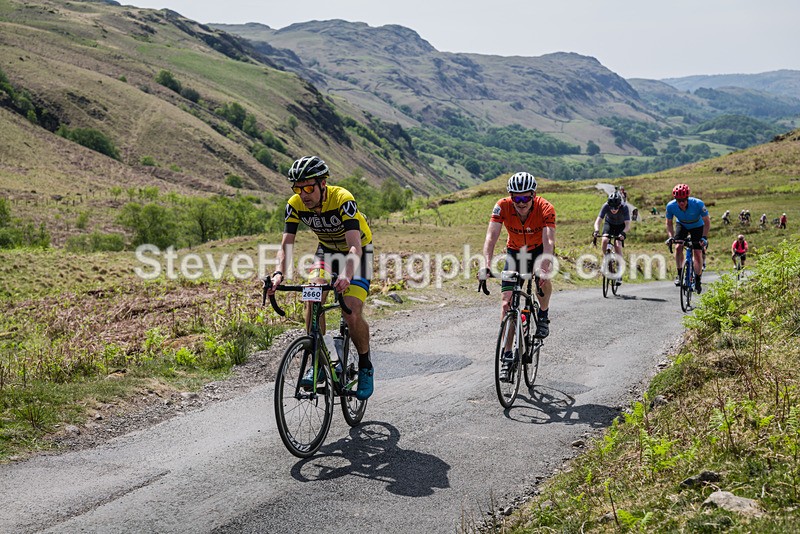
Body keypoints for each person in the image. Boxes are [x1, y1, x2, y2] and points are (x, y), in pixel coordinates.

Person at [267, 156, 375, 400]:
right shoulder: (295, 205)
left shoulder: (343, 199)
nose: (303, 194)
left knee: (351, 311)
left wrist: (346, 276)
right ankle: (318, 362)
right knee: (312, 295)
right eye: (298, 188)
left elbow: (355, 248)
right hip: (326, 251)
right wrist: (278, 273)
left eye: (308, 187)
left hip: (357, 252)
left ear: (322, 184)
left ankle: (366, 365)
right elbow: (286, 245)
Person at [479, 172, 556, 379]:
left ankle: (543, 314)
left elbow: (549, 240)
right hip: (515, 253)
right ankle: (507, 355)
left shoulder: (545, 208)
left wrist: (545, 265)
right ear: (511, 196)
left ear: (533, 195)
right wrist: (486, 265)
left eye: (525, 198)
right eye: (516, 198)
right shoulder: (502, 206)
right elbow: (491, 236)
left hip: (539, 251)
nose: (521, 203)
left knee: (543, 279)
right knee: (507, 305)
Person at [665, 183, 710, 294]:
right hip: (682, 225)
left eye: (684, 200)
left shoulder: (698, 204)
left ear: (688, 198)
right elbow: (669, 223)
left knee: (698, 252)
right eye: (678, 200)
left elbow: (707, 222)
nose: (681, 203)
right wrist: (671, 237)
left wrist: (704, 238)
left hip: (697, 226)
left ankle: (698, 280)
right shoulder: (670, 206)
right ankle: (680, 275)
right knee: (678, 247)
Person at [592, 191, 631, 287]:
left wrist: (623, 233)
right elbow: (598, 220)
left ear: (619, 205)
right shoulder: (605, 206)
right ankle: (606, 258)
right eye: (611, 208)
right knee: (604, 240)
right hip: (609, 224)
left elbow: (627, 225)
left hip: (620, 226)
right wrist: (596, 230)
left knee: (617, 245)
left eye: (616, 208)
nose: (613, 210)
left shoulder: (625, 207)